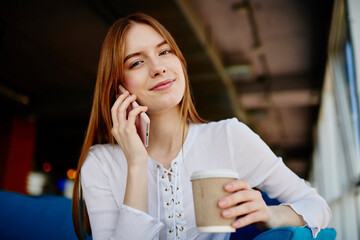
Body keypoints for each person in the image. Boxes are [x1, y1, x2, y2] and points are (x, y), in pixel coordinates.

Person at [72, 13, 331, 240]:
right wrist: (137, 164)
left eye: (164, 52)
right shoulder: (101, 163)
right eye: (136, 62)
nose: (159, 68)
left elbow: (317, 205)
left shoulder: (228, 137)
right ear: (119, 87)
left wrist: (270, 215)